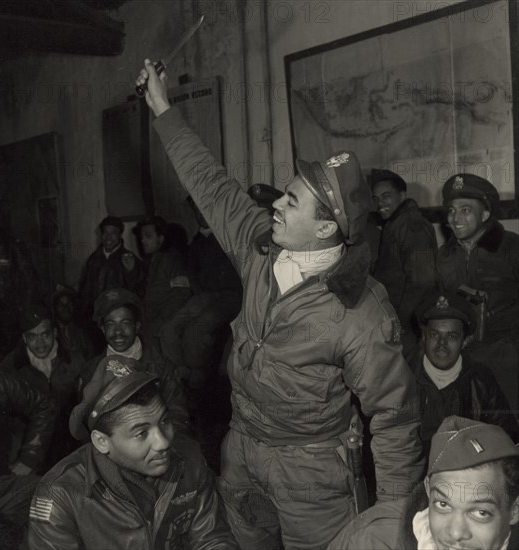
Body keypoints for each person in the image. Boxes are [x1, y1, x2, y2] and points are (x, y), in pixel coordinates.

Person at [136, 61, 424, 549]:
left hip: (312, 475)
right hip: (242, 453)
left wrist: (396, 524)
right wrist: (163, 107)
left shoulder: (362, 312)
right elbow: (210, 185)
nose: (276, 206)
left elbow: (394, 418)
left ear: (327, 227)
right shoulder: (259, 248)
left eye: (291, 201)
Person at [29, 356, 239, 550]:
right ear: (102, 442)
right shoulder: (60, 494)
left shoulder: (189, 460)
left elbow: (212, 539)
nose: (163, 442)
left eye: (164, 421)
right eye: (141, 433)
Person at [328, 416, 519, 550]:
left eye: (480, 513)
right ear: (428, 490)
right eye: (443, 504)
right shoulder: (373, 541)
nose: (455, 533)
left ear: (514, 510)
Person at [437, 174, 519, 411]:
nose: (455, 218)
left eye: (465, 210)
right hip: (462, 361)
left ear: (485, 214)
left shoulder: (512, 248)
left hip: (506, 360)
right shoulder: (444, 255)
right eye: (452, 210)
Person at [415, 291, 518, 453]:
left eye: (452, 336)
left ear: (464, 341)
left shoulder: (481, 380)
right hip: (413, 474)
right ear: (424, 336)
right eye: (435, 334)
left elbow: (507, 439)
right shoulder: (403, 378)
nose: (441, 344)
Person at [80, 287, 189, 434]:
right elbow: (86, 423)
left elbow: (178, 417)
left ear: (136, 326)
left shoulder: (162, 367)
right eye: (111, 324)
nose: (118, 332)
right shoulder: (91, 370)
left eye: (125, 323)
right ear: (103, 329)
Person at [159, 197, 242, 389]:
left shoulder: (228, 238)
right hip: (204, 296)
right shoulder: (196, 243)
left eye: (203, 209)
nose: (200, 215)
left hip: (231, 297)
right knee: (169, 329)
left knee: (196, 330)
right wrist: (193, 287)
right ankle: (182, 369)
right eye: (196, 210)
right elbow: (191, 273)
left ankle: (198, 376)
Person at [0, 305, 84, 469]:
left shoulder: (75, 361)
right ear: (24, 338)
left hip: (69, 444)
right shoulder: (10, 368)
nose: (40, 343)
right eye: (32, 337)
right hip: (28, 446)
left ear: (55, 332)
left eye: (45, 335)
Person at [371, 169, 438, 368]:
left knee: (410, 382)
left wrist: (400, 323)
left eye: (386, 196)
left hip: (408, 326)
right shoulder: (395, 224)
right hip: (399, 322)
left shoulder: (411, 225)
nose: (380, 203)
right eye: (376, 199)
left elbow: (423, 281)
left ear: (402, 196)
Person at [0, 370, 56, 550]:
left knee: (57, 491)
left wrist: (29, 458)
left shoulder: (0, 383)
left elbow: (43, 405)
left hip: (1, 481)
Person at [0, 202, 41, 363]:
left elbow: (30, 282)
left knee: (10, 361)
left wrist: (22, 315)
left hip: (7, 319)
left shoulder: (12, 246)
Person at [135, 216, 191, 342]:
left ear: (161, 239)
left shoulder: (172, 260)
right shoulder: (150, 259)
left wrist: (159, 320)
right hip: (147, 316)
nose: (143, 240)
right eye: (141, 237)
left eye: (148, 236)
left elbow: (181, 295)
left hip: (161, 320)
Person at [78, 215, 142, 320]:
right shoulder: (93, 259)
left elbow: (138, 291)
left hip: (117, 317)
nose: (108, 237)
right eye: (105, 232)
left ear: (120, 235)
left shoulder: (129, 258)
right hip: (94, 317)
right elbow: (85, 290)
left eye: (113, 233)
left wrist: (131, 272)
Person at [51, 284, 95, 360]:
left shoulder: (82, 332)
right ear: (55, 308)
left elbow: (92, 357)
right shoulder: (50, 334)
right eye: (61, 305)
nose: (66, 308)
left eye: (69, 304)